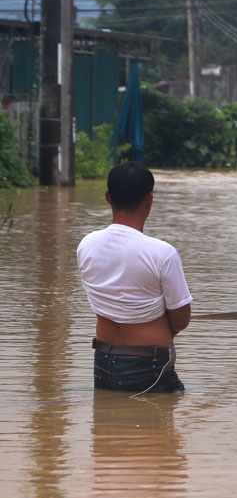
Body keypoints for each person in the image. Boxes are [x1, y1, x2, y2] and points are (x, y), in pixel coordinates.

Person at [77, 162, 192, 393]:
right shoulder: (162, 253)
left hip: (103, 361)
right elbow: (181, 319)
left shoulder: (86, 245)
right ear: (149, 200)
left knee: (108, 426)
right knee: (164, 424)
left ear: (108, 197)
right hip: (147, 365)